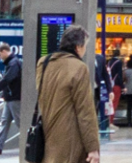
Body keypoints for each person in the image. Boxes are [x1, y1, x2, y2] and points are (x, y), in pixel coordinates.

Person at [32, 26, 101, 163]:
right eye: (85, 46)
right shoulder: (78, 67)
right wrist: (93, 147)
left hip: (47, 134)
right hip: (70, 139)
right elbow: (85, 111)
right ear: (79, 47)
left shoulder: (44, 63)